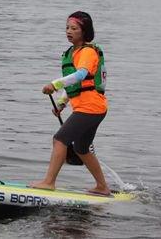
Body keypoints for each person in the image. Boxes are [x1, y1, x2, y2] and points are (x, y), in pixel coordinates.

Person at [29, 11, 110, 196]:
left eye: (74, 28)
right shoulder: (73, 52)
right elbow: (77, 83)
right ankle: (102, 187)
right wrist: (61, 103)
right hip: (91, 108)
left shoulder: (88, 52)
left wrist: (54, 84)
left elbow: (81, 75)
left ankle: (49, 182)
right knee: (81, 148)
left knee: (60, 139)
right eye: (67, 28)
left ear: (84, 32)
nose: (69, 31)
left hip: (90, 108)